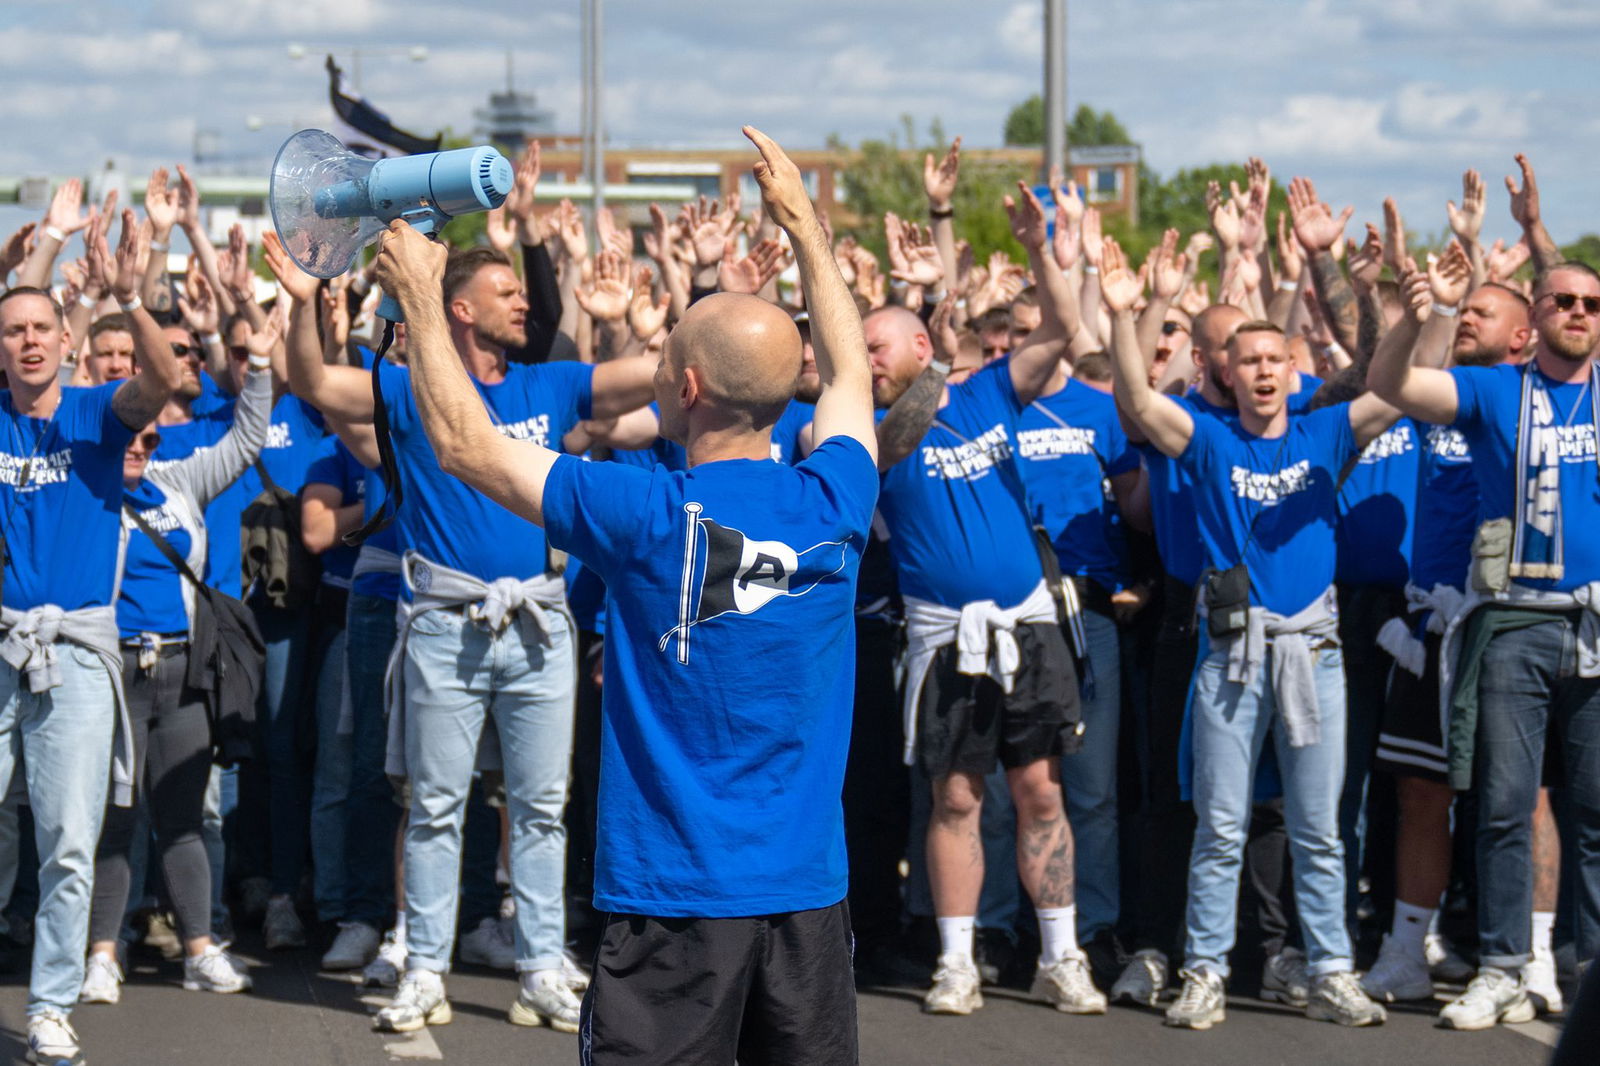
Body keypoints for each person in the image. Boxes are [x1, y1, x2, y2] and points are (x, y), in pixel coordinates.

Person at [370, 125, 878, 1063]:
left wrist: (420, 306)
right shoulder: (839, 494)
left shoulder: (640, 511)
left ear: (684, 387)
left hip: (673, 901)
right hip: (808, 901)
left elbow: (465, 447)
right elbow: (849, 372)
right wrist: (805, 225)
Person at [267, 225, 655, 1033]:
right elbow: (307, 378)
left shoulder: (550, 384)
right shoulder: (408, 391)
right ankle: (424, 969)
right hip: (445, 624)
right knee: (437, 805)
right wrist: (303, 304)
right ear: (458, 309)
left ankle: (542, 966)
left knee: (543, 806)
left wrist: (648, 316)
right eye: (506, 290)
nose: (524, 299)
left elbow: (657, 376)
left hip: (540, 624)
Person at [1104, 218, 1396, 1029]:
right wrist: (1135, 315)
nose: (1263, 372)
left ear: (1294, 370)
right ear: (1225, 374)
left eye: (1276, 360)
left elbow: (1402, 381)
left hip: (1317, 653)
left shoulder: (1327, 430)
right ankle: (1203, 970)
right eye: (1249, 362)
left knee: (1318, 829)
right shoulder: (1206, 441)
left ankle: (1333, 968)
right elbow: (1134, 402)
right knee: (1220, 826)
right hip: (1229, 657)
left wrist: (1407, 301)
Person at [870, 182, 1106, 1017]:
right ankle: (958, 962)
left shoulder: (990, 393)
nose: (868, 358)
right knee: (957, 796)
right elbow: (892, 442)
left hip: (1029, 628)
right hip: (945, 641)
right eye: (863, 347)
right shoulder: (861, 425)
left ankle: (1061, 955)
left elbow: (1064, 333)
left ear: (920, 343)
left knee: (1042, 793)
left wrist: (1046, 251)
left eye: (879, 346)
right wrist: (927, 361)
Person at [1367, 249, 1600, 1031]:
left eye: (1591, 304)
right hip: (1514, 621)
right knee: (1501, 805)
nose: (1578, 313)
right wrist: (1423, 313)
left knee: (1595, 810)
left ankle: (1588, 970)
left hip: (1597, 624)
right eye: (1562, 300)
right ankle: (1502, 967)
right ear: (1533, 319)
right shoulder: (1498, 388)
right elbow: (1394, 387)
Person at [0, 212, 183, 1066]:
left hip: (75, 657)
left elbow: (161, 373)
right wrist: (36, 255)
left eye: (43, 329)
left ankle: (48, 1009)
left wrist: (124, 298)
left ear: (67, 341)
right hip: (3, 647)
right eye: (14, 331)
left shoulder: (97, 416)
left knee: (67, 843)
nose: (30, 341)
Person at [80, 328, 273, 1005]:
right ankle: (102, 952)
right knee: (115, 819)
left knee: (185, 817)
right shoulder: (86, 484)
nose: (139, 447)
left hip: (183, 670)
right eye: (129, 436)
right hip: (113, 673)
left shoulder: (179, 479)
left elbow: (247, 440)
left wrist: (264, 366)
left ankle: (199, 949)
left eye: (150, 438)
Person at [1360, 273, 1531, 1004]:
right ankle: (1407, 948)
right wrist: (1435, 304)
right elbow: (1399, 377)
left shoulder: (1537, 401)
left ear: (1522, 336)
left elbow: (1574, 310)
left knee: (1520, 800)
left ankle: (1525, 958)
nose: (1469, 320)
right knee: (1420, 793)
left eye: (1484, 314)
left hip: (1511, 625)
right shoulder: (1448, 401)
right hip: (1433, 626)